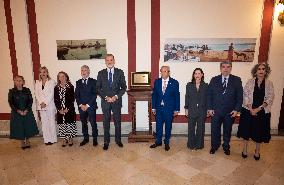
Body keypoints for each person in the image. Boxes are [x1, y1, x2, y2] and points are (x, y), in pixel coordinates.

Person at [237, 63, 274, 160]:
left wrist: (258, 109)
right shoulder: (250, 82)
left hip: (262, 112)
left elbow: (270, 98)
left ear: (266, 71)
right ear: (256, 71)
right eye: (259, 69)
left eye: (263, 69)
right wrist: (251, 109)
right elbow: (245, 95)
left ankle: (257, 151)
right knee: (246, 131)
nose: (261, 71)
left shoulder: (269, 83)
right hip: (248, 110)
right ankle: (244, 149)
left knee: (259, 132)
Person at [207, 61, 243, 155]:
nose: (226, 69)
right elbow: (209, 95)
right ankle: (214, 146)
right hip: (216, 111)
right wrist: (210, 108)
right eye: (223, 67)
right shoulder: (214, 79)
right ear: (220, 68)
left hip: (230, 112)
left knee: (227, 130)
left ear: (231, 68)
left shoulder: (236, 80)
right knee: (215, 130)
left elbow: (239, 96)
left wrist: (236, 110)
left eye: (228, 67)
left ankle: (226, 146)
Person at [97, 54, 127, 150]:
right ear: (105, 62)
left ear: (114, 61)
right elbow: (98, 88)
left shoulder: (120, 72)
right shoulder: (101, 73)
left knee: (117, 121)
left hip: (116, 101)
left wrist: (116, 96)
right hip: (105, 101)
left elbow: (123, 87)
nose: (109, 62)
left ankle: (118, 140)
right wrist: (106, 97)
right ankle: (106, 141)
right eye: (107, 60)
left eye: (111, 60)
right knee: (106, 122)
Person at [150, 66, 180, 151]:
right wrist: (153, 108)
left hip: (169, 109)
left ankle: (166, 142)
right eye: (162, 71)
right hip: (159, 109)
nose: (163, 73)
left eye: (165, 71)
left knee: (168, 126)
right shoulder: (157, 82)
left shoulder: (174, 82)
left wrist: (176, 109)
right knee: (158, 126)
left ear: (169, 72)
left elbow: (177, 96)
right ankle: (158, 141)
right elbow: (154, 95)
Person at [8, 75, 39, 149]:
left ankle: (28, 140)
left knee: (27, 126)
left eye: (20, 80)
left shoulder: (27, 90)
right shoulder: (11, 91)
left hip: (27, 111)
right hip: (16, 112)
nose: (18, 82)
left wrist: (26, 110)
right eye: (16, 80)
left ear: (23, 82)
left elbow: (30, 101)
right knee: (19, 127)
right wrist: (18, 111)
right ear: (14, 82)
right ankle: (22, 141)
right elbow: (10, 103)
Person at [185, 68, 208, 150]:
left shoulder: (206, 86)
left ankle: (199, 145)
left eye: (199, 73)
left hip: (202, 110)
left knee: (201, 129)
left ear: (202, 75)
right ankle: (191, 144)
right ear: (193, 75)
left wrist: (208, 109)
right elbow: (187, 97)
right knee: (191, 128)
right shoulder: (189, 85)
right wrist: (186, 109)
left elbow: (208, 98)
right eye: (195, 73)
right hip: (192, 109)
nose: (197, 75)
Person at [75, 65, 98, 147]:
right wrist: (81, 105)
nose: (83, 72)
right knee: (84, 123)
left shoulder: (94, 81)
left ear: (88, 71)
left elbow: (94, 94)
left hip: (91, 106)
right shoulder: (78, 82)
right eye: (82, 70)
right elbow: (77, 95)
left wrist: (87, 105)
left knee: (93, 123)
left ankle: (95, 139)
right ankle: (85, 138)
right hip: (81, 107)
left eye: (85, 70)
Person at [35, 66, 57, 145]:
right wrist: (41, 102)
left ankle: (53, 139)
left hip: (50, 105)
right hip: (41, 106)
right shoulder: (37, 82)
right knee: (44, 123)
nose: (43, 73)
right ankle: (47, 140)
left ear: (47, 73)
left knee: (51, 122)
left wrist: (45, 103)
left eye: (44, 72)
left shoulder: (52, 81)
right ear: (39, 74)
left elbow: (52, 94)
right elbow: (37, 94)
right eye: (41, 72)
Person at [54, 71, 77, 147]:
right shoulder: (56, 88)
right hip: (60, 110)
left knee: (69, 124)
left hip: (69, 109)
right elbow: (56, 99)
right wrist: (59, 109)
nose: (62, 78)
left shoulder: (70, 86)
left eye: (63, 76)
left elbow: (72, 99)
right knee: (62, 125)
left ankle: (70, 138)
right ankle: (64, 139)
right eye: (60, 76)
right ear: (58, 78)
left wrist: (67, 109)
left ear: (66, 77)